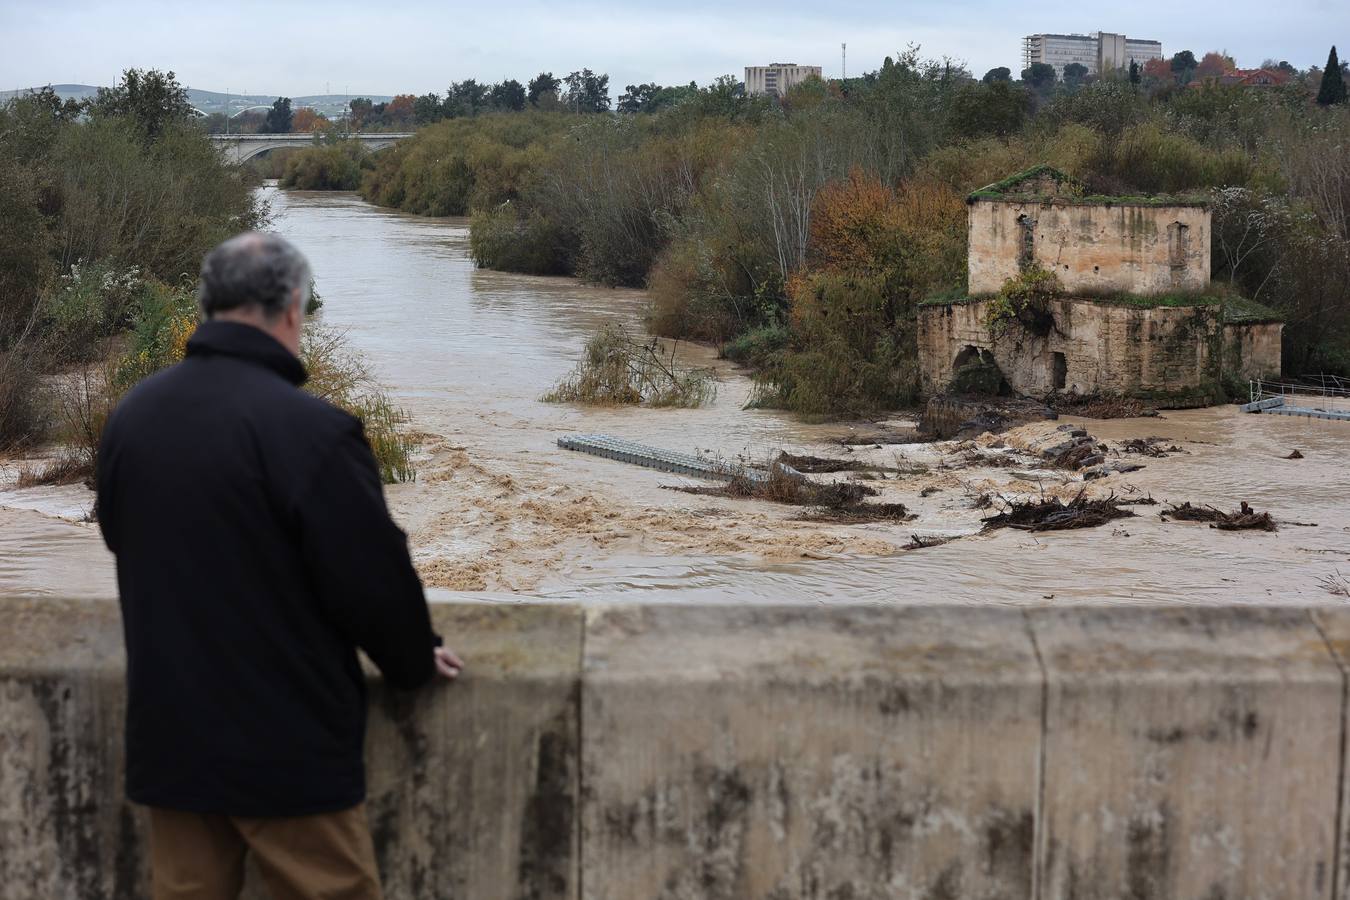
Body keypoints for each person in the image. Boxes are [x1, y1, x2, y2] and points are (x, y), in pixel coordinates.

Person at [96, 232, 462, 900]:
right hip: (290, 756)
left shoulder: (133, 418)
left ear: (206, 308)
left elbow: (122, 538)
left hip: (173, 745)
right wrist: (414, 661)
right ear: (294, 307)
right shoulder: (315, 432)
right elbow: (372, 582)